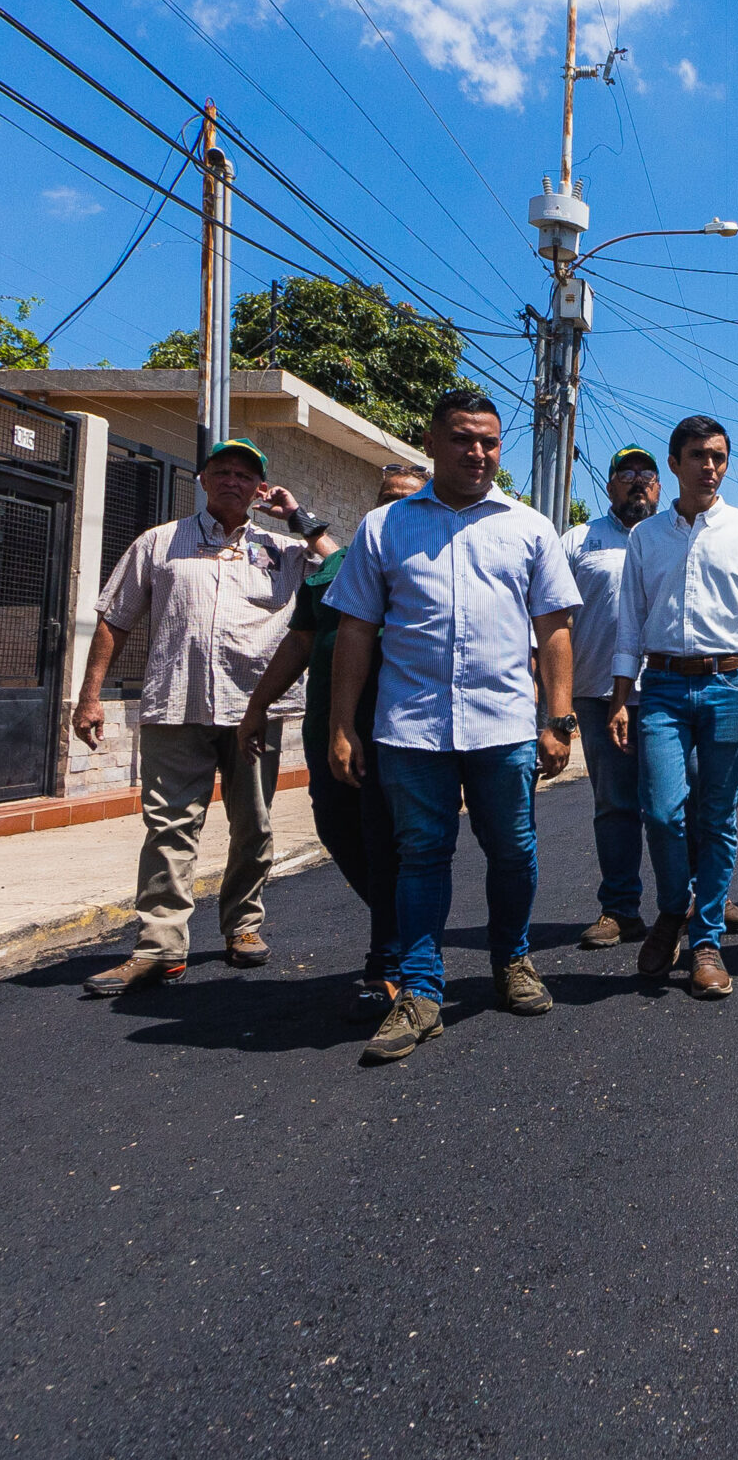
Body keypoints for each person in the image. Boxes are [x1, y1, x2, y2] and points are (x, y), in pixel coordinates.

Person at [325, 391, 580, 1062]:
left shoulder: (529, 527)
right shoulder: (385, 527)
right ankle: (420, 990)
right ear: (432, 443)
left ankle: (512, 959)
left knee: (514, 850)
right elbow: (355, 629)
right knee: (420, 857)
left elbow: (555, 627)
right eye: (464, 438)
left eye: (490, 441)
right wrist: (342, 725)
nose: (478, 452)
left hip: (504, 727)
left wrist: (558, 719)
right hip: (412, 729)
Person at [74, 438, 336, 997]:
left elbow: (341, 569)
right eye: (223, 471)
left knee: (254, 825)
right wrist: (90, 694)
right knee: (169, 827)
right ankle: (159, 949)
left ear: (261, 488)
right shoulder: (159, 543)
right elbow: (115, 618)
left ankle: (243, 925)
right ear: (203, 479)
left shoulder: (284, 550)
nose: (233, 481)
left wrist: (297, 516)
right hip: (176, 703)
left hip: (254, 709)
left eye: (245, 475)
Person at [235, 463, 426, 1019]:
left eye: (407, 499)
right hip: (329, 733)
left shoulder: (431, 568)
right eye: (385, 498)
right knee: (337, 831)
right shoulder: (338, 567)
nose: (393, 509)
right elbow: (300, 642)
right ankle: (408, 925)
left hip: (395, 735)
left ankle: (388, 962)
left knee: (386, 844)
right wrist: (257, 706)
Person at [609, 415, 738, 1001]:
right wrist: (620, 697)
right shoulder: (646, 536)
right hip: (660, 685)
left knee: (717, 815)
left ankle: (705, 939)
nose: (710, 466)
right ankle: (671, 910)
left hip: (728, 684)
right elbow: (630, 621)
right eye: (698, 456)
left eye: (719, 457)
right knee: (662, 812)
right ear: (675, 463)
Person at [561, 444, 663, 950]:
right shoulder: (579, 540)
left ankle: (697, 900)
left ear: (659, 488)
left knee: (678, 804)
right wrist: (556, 707)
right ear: (609, 485)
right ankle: (621, 909)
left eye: (647, 474)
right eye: (627, 473)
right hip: (599, 694)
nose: (638, 481)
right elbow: (552, 622)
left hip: (666, 692)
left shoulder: (675, 538)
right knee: (615, 805)